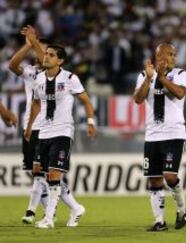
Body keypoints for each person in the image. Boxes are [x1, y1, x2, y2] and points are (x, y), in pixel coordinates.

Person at [24, 44, 96, 229]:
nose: (46, 57)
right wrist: (30, 126)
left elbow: (86, 101)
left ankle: (48, 218)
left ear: (60, 60)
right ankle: (76, 207)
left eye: (51, 55)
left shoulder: (70, 78)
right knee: (39, 172)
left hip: (63, 131)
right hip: (44, 132)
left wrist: (90, 122)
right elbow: (36, 104)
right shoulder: (39, 79)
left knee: (54, 174)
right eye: (46, 54)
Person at [133, 43, 186, 231]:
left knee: (170, 176)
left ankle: (182, 209)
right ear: (159, 56)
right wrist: (149, 79)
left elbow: (179, 93)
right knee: (154, 180)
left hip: (174, 133)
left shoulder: (181, 74)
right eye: (170, 54)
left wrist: (162, 76)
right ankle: (160, 221)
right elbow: (138, 99)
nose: (173, 57)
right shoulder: (144, 75)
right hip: (152, 135)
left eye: (174, 54)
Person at [8, 25, 51, 224]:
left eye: (45, 52)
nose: (40, 54)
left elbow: (45, 61)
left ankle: (33, 212)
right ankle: (64, 208)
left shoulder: (52, 74)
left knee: (40, 173)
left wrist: (34, 42)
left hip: (49, 126)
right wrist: (27, 46)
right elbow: (12, 65)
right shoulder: (30, 72)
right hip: (30, 125)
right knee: (37, 173)